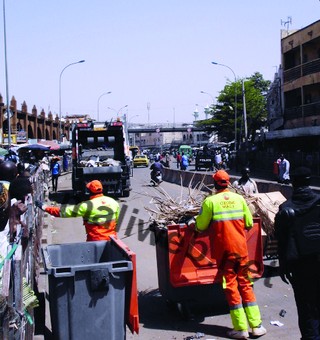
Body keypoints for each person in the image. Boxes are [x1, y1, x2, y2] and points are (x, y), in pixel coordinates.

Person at [194, 170, 266, 339]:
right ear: (228, 183)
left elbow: (201, 226)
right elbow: (249, 223)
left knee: (231, 287)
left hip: (224, 253)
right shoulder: (240, 199)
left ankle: (240, 329)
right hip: (241, 251)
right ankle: (256, 326)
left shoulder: (210, 202)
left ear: (215, 183)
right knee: (246, 285)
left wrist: (195, 225)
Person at [275, 167, 320, 339]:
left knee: (306, 307)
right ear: (310, 182)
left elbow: (281, 241)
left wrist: (283, 267)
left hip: (300, 268)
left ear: (293, 183)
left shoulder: (285, 209)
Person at [35, 180, 120, 242]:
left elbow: (63, 212)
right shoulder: (113, 202)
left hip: (95, 241)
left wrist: (45, 207)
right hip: (112, 240)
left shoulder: (87, 206)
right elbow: (116, 221)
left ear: (89, 191)